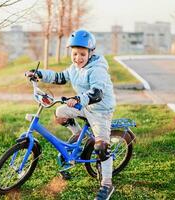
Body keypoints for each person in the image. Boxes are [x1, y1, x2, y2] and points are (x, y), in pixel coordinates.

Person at [26, 29, 116, 200]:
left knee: (101, 147)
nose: (78, 58)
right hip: (83, 105)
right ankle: (78, 135)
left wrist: (78, 98)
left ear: (91, 53)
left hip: (100, 110)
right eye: (75, 54)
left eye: (82, 54)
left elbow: (97, 93)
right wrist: (39, 74)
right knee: (60, 113)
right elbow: (60, 76)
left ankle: (107, 184)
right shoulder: (74, 68)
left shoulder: (97, 69)